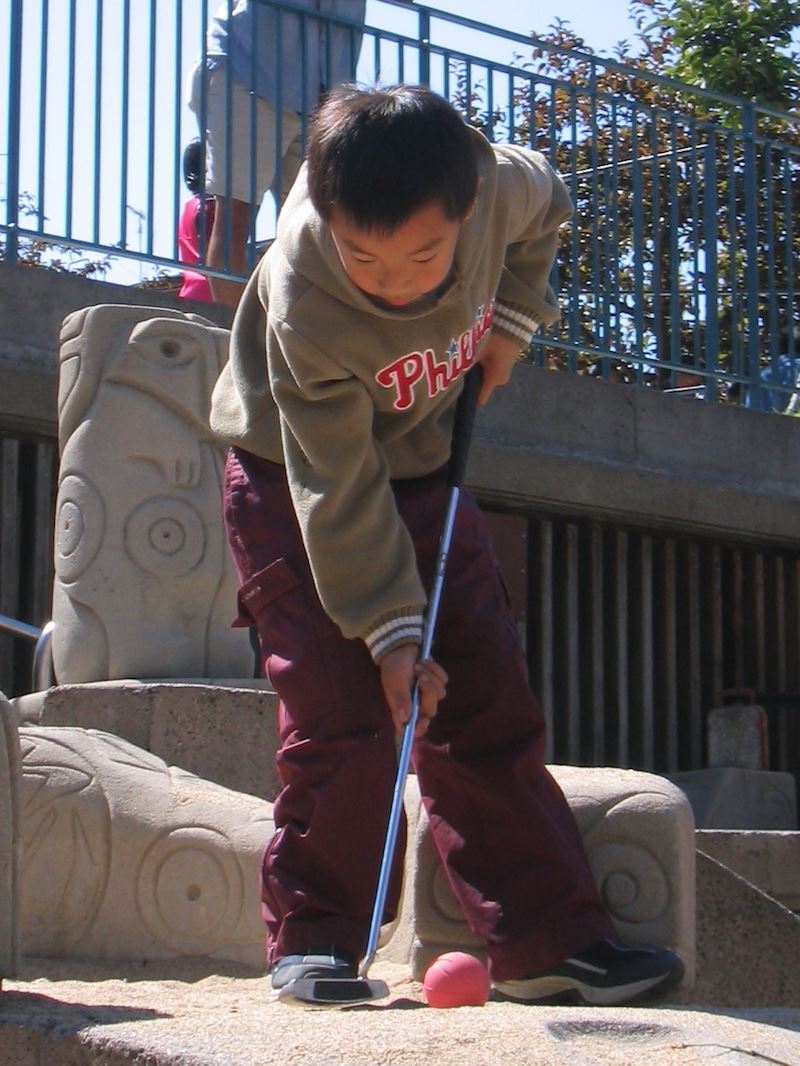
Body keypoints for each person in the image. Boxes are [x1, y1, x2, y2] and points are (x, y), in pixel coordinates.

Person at [210, 84, 684, 1005]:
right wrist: (390, 634)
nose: (394, 281)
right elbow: (335, 482)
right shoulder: (305, 290)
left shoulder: (498, 184)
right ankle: (315, 940)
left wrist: (510, 322)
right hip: (293, 479)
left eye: (426, 254)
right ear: (326, 213)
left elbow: (549, 208)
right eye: (365, 257)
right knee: (345, 709)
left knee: (483, 694)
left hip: (425, 462)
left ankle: (548, 940)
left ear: (466, 205)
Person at [187, 0, 368, 308]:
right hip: (248, 74)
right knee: (236, 216)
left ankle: (293, 335)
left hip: (322, 97)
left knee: (314, 230)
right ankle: (235, 338)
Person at [176, 139, 215, 304]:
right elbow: (213, 255)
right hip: (213, 292)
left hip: (190, 290)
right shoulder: (210, 206)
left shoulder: (187, 206)